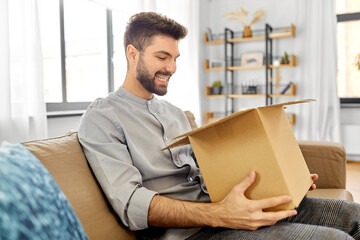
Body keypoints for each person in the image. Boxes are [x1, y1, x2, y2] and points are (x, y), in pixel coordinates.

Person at [78, 12, 360, 240]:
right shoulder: (102, 117)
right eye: (162, 57)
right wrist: (220, 215)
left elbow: (210, 172)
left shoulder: (173, 112)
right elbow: (129, 202)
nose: (172, 68)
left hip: (226, 212)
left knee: (355, 216)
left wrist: (281, 180)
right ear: (132, 53)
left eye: (175, 59)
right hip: (192, 233)